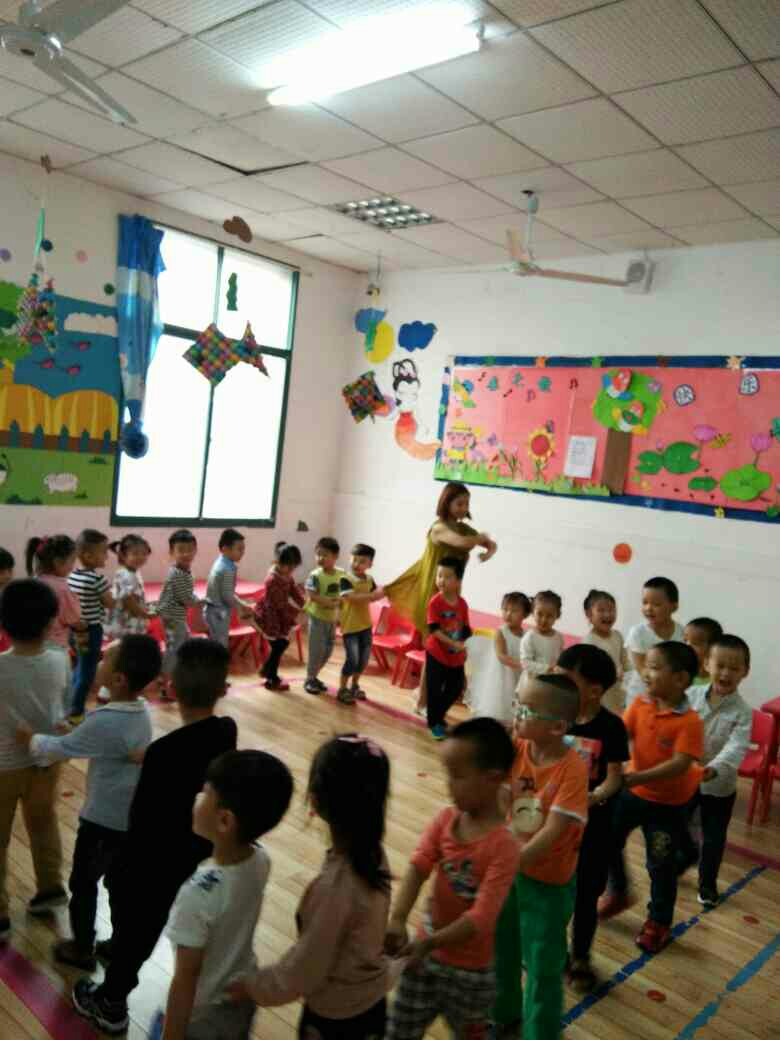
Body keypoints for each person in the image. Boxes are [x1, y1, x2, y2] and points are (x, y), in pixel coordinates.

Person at [72, 639, 237, 1036]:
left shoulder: (163, 752)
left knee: (137, 926)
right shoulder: (224, 730)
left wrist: (119, 870)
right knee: (148, 922)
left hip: (150, 861)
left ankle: (111, 1003)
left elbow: (142, 821)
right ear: (223, 689)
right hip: (192, 855)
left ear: (171, 687)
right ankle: (120, 954)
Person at [229, 734, 391, 1040]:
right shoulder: (374, 855)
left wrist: (253, 986)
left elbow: (305, 968)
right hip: (372, 1004)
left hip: (335, 1018)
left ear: (315, 802)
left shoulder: (334, 889)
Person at [17, 635, 161, 970]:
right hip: (130, 818)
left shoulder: (105, 720)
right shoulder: (139, 710)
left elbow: (60, 749)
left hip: (101, 821)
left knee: (83, 883)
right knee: (119, 885)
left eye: (106, 658)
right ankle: (119, 943)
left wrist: (30, 739)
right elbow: (94, 739)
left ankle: (81, 946)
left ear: (118, 679)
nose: (98, 661)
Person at [385, 718, 519, 1040]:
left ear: (493, 778)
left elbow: (481, 918)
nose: (448, 785)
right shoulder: (445, 820)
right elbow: (418, 867)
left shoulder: (504, 847)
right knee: (399, 1032)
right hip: (422, 960)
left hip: (470, 975)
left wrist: (430, 942)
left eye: (457, 775)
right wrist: (398, 919)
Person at [160, 750, 294, 1040]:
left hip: (201, 1017)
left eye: (205, 793)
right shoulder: (261, 860)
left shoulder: (197, 894)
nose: (197, 797)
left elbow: (186, 978)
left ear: (224, 820)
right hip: (240, 996)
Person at [492, 675, 588, 1040]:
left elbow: (554, 831)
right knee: (502, 944)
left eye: (527, 709)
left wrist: (510, 861)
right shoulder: (518, 746)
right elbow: (502, 798)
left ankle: (540, 1033)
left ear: (558, 727)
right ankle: (503, 1014)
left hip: (549, 884)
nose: (517, 712)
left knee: (542, 965)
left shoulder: (572, 768)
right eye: (518, 703)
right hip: (510, 873)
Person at [598, 641, 703, 954]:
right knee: (606, 840)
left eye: (655, 667)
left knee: (660, 866)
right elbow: (620, 734)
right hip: (632, 795)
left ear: (680, 679)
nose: (645, 672)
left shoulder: (690, 721)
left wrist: (636, 777)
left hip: (667, 807)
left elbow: (681, 764)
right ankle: (619, 891)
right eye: (646, 665)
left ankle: (658, 922)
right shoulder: (641, 704)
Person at [384, 482, 496, 712]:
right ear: (446, 503)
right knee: (434, 651)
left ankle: (425, 697)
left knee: (442, 651)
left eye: (467, 504)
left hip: (452, 596)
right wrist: (481, 538)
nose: (464, 508)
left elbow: (490, 544)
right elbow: (463, 543)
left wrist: (488, 551)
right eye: (459, 503)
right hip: (433, 594)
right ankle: (423, 702)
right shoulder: (439, 529)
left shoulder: (464, 529)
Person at [0, 579, 70, 942]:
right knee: (44, 824)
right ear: (51, 622)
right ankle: (50, 890)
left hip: (3, 765)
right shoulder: (60, 659)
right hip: (47, 758)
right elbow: (61, 704)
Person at [556, 644, 628, 992]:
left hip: (595, 828)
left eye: (566, 680)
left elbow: (615, 778)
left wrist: (594, 797)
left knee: (586, 896)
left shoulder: (611, 727)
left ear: (595, 691)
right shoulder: (556, 718)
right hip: (557, 825)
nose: (557, 687)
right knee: (555, 891)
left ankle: (580, 956)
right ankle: (555, 952)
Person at [679, 634, 752, 908]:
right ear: (707, 664)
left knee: (713, 838)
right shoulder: (690, 696)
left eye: (734, 668)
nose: (726, 673)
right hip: (685, 780)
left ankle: (707, 884)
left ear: (745, 672)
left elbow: (736, 746)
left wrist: (713, 769)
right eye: (720, 665)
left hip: (719, 787)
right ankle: (684, 857)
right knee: (679, 826)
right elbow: (677, 729)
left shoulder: (743, 712)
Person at [98, 534, 153, 703]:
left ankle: (115, 690)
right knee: (123, 657)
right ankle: (110, 690)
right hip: (126, 624)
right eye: (135, 553)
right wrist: (145, 614)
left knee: (122, 656)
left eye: (143, 553)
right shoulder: (127, 575)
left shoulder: (131, 572)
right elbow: (129, 601)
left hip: (128, 622)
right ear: (123, 555)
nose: (140, 557)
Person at [67, 529, 114, 724]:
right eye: (103, 552)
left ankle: (69, 705)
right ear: (88, 556)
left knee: (79, 667)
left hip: (75, 630)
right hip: (91, 630)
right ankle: (76, 712)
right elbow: (109, 603)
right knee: (87, 672)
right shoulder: (97, 579)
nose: (106, 556)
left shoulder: (72, 576)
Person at [425, 557, 472, 740]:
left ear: (458, 581)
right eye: (439, 576)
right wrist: (453, 643)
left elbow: (466, 628)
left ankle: (437, 716)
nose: (441, 580)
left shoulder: (463, 604)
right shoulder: (435, 602)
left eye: (447, 576)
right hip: (436, 653)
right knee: (434, 690)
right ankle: (434, 723)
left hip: (456, 656)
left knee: (456, 688)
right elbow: (434, 630)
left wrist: (467, 644)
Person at [468, 591, 531, 726]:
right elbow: (501, 656)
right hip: (501, 676)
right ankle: (494, 726)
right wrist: (522, 665)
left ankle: (517, 726)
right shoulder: (501, 632)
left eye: (514, 611)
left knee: (520, 701)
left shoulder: (527, 635)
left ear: (525, 615)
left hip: (518, 675)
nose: (508, 614)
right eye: (505, 609)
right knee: (499, 704)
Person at [253, 541, 305, 691]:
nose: (291, 571)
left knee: (280, 645)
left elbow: (294, 591)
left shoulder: (287, 576)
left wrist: (305, 604)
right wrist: (296, 613)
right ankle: (271, 678)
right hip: (271, 617)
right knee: (279, 645)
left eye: (294, 567)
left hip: (280, 614)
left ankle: (268, 672)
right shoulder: (272, 580)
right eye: (289, 567)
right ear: (278, 562)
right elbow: (278, 605)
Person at [624, 577, 684, 706]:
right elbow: (642, 670)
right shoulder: (638, 633)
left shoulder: (682, 633)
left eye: (656, 604)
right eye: (645, 602)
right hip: (641, 696)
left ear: (674, 607)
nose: (648, 608)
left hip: (670, 698)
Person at [338, 543, 385, 705]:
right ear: (349, 559)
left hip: (366, 626)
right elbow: (351, 598)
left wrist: (386, 591)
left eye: (362, 561)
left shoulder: (370, 580)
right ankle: (342, 689)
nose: (357, 564)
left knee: (363, 661)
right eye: (354, 560)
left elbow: (375, 595)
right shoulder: (345, 579)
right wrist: (373, 596)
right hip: (350, 627)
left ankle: (354, 686)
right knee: (352, 660)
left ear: (370, 564)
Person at [157, 530, 201, 695]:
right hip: (172, 616)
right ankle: (166, 684)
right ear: (171, 552)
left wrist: (196, 599)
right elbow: (186, 598)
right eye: (181, 550)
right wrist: (200, 602)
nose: (186, 554)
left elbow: (187, 595)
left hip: (174, 615)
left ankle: (170, 676)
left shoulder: (183, 571)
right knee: (174, 647)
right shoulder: (178, 574)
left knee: (184, 641)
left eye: (190, 549)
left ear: (195, 550)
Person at [25, 534, 82, 656]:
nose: (72, 567)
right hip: (55, 647)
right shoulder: (62, 588)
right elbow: (74, 618)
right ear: (58, 562)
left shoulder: (32, 582)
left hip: (30, 645)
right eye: (72, 561)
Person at [303, 536, 346, 695]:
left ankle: (314, 676)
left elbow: (345, 593)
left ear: (335, 556)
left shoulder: (341, 574)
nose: (320, 558)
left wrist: (341, 606)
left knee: (327, 651)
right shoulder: (315, 575)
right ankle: (310, 679)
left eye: (325, 555)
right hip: (317, 619)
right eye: (318, 554)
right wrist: (328, 602)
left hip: (331, 620)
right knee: (316, 651)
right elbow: (311, 595)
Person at [582, 589, 630, 714]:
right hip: (601, 693)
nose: (608, 614)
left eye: (611, 610)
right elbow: (588, 672)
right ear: (589, 614)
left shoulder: (617, 635)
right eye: (601, 610)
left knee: (619, 714)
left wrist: (631, 674)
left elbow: (625, 661)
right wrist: (612, 674)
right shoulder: (589, 642)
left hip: (618, 689)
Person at [203, 529, 253, 648]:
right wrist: (242, 605)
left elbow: (227, 593)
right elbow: (227, 596)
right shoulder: (228, 569)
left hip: (212, 611)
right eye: (239, 549)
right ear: (225, 549)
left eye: (243, 549)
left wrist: (241, 603)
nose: (243, 552)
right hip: (218, 613)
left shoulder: (221, 561)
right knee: (220, 646)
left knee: (216, 643)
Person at [519, 590, 565, 679]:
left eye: (549, 616)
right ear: (533, 612)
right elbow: (525, 663)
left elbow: (560, 659)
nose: (544, 619)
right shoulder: (529, 637)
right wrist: (548, 668)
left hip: (551, 681)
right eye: (540, 614)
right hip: (531, 683)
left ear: (558, 615)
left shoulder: (559, 637)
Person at [683, 617, 723, 687]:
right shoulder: (678, 676)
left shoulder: (719, 682)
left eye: (695, 643)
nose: (687, 646)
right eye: (685, 640)